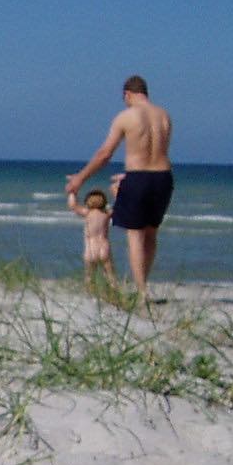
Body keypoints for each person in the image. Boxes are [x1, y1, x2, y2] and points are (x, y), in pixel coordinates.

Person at [66, 75, 172, 304]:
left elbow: (105, 154)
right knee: (151, 232)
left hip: (139, 177)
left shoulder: (126, 117)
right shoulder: (164, 116)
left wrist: (80, 179)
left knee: (135, 234)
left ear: (127, 94)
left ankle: (142, 292)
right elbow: (158, 153)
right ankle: (144, 284)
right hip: (163, 177)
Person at [70, 187, 114, 288]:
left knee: (89, 275)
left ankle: (91, 291)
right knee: (110, 274)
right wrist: (117, 191)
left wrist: (73, 192)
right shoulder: (106, 214)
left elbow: (73, 206)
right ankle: (113, 289)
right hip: (104, 247)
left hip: (90, 248)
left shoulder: (87, 213)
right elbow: (120, 206)